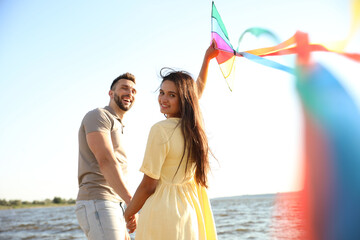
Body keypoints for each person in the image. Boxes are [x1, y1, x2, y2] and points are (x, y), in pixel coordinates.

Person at [124, 41, 219, 240]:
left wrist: (127, 213)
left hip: (162, 213)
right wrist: (207, 59)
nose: (163, 99)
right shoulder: (193, 129)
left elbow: (148, 185)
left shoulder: (160, 130)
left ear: (183, 99)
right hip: (191, 212)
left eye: (171, 95)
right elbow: (197, 92)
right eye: (161, 92)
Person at [75, 72, 137, 240]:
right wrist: (131, 202)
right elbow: (106, 161)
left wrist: (126, 205)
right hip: (98, 201)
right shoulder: (99, 116)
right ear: (111, 93)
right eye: (124, 88)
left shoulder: (118, 124)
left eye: (133, 91)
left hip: (113, 203)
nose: (129, 94)